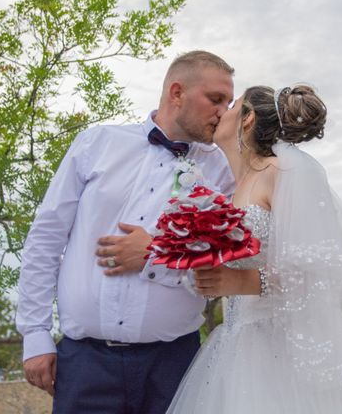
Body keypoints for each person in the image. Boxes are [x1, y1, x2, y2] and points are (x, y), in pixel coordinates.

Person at [167, 85, 342, 413]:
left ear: (247, 119)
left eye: (232, 105)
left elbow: (321, 271)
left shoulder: (284, 172)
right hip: (237, 346)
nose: (220, 112)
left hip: (285, 352)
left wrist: (237, 283)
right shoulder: (232, 192)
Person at [16, 50, 235, 413]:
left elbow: (221, 263)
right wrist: (35, 334)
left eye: (228, 103)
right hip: (85, 364)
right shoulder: (96, 144)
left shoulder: (221, 172)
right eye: (216, 99)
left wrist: (156, 253)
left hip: (175, 366)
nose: (223, 112)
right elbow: (46, 237)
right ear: (176, 93)